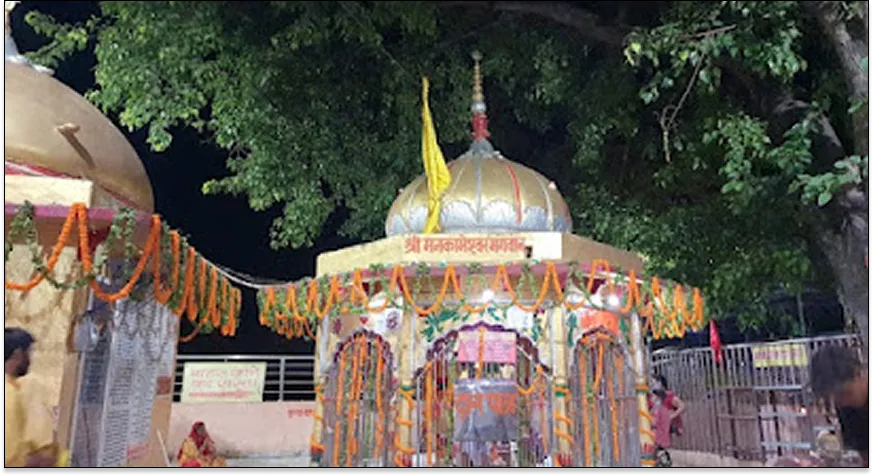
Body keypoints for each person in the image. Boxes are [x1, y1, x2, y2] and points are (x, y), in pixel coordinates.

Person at [5, 327, 58, 467]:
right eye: (29, 353)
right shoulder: (24, 389)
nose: (30, 358)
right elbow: (42, 455)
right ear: (18, 354)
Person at [809, 345, 868, 467]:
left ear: (859, 373)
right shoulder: (847, 408)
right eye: (835, 397)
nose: (842, 402)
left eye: (845, 393)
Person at [651, 389, 673, 467]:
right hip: (662, 439)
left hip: (658, 439)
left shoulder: (657, 409)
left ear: (658, 398)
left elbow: (653, 423)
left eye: (653, 396)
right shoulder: (664, 409)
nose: (651, 398)